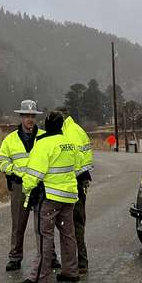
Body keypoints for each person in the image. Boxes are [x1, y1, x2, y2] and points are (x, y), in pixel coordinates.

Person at [16, 111, 81, 283]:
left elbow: (34, 173)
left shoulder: (44, 144)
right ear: (61, 125)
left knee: (45, 236)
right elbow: (78, 166)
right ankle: (71, 272)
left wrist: (26, 189)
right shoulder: (69, 143)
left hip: (49, 198)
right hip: (68, 197)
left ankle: (39, 278)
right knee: (68, 235)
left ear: (47, 124)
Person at [0, 99, 49, 273]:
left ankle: (50, 257)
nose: (30, 119)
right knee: (18, 224)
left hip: (40, 186)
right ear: (21, 117)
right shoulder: (9, 140)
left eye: (32, 116)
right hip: (19, 186)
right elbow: (2, 162)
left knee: (43, 225)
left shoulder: (44, 136)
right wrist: (16, 172)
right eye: (26, 116)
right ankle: (15, 257)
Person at [59, 107, 94, 273]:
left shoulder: (69, 132)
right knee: (76, 223)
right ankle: (79, 261)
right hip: (81, 180)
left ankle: (79, 262)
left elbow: (72, 160)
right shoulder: (77, 130)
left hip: (74, 182)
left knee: (73, 224)